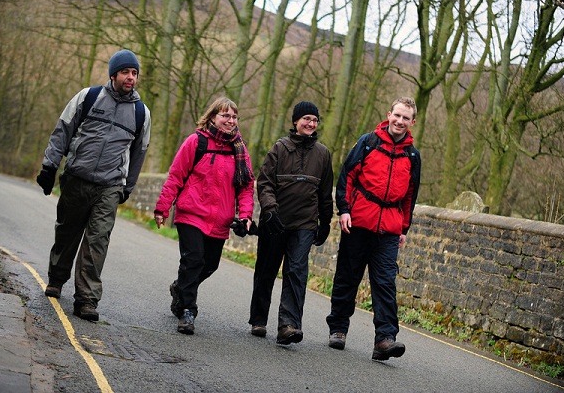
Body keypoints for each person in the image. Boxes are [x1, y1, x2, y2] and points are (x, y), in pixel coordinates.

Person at [36, 49, 151, 321]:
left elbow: (139, 153)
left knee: (97, 241)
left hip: (110, 186)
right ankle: (56, 278)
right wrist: (49, 166)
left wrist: (127, 187)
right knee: (67, 233)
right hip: (77, 178)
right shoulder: (87, 97)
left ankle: (86, 299)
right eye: (125, 72)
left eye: (134, 73)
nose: (131, 77)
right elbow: (62, 130)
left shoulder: (140, 113)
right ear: (113, 74)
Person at [326, 97, 421, 360]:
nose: (400, 121)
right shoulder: (368, 142)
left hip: (389, 229)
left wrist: (404, 228)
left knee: (385, 283)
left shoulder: (413, 155)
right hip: (358, 222)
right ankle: (338, 329)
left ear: (412, 122)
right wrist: (344, 210)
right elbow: (347, 176)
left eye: (406, 118)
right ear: (389, 114)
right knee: (348, 276)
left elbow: (410, 196)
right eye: (397, 115)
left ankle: (385, 339)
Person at [154, 97, 255, 335]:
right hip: (192, 213)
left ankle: (180, 288)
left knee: (210, 264)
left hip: (220, 219)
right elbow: (176, 176)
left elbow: (246, 186)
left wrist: (246, 215)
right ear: (212, 117)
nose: (230, 121)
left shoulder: (239, 149)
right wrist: (163, 207)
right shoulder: (195, 141)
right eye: (225, 116)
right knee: (194, 259)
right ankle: (188, 310)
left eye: (234, 117)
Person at [249, 101, 334, 345]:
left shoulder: (323, 153)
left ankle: (289, 325)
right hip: (275, 221)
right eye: (306, 118)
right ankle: (258, 319)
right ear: (296, 121)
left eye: (315, 120)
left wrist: (325, 222)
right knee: (266, 269)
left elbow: (324, 193)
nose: (311, 123)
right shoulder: (279, 148)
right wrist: (270, 210)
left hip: (305, 224)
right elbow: (264, 183)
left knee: (296, 271)